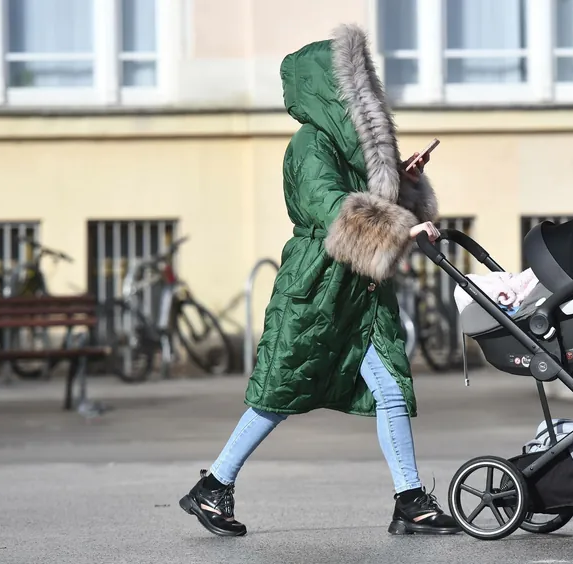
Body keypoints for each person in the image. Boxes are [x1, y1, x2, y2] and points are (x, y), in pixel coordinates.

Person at [178, 24, 461, 537]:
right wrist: (400, 225)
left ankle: (410, 500)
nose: (366, 96)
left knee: (391, 389)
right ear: (331, 89)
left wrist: (406, 183)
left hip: (364, 292)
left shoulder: (356, 150)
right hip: (317, 287)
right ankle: (214, 484)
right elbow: (329, 208)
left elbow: (370, 203)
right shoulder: (310, 144)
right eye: (355, 87)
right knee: (280, 391)